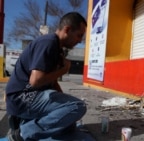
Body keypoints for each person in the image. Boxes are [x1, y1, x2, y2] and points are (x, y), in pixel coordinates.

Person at [5, 12, 87, 141]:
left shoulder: (57, 49)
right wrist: (64, 70)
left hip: (31, 97)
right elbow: (36, 81)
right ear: (67, 29)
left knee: (69, 122)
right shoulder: (48, 42)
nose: (80, 40)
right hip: (23, 98)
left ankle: (25, 123)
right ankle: (21, 134)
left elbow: (52, 82)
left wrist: (66, 107)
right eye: (79, 35)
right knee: (78, 106)